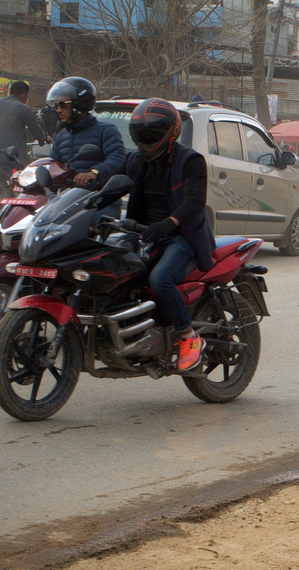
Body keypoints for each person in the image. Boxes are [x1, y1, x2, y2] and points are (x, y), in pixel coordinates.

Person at [125, 98, 215, 372]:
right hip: (147, 236)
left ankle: (188, 336)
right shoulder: (137, 160)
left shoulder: (191, 160)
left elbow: (194, 202)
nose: (145, 141)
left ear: (171, 132)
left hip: (183, 238)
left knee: (160, 278)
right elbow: (111, 180)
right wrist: (87, 181)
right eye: (141, 135)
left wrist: (169, 222)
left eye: (151, 135)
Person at [46, 77, 126, 210]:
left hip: (99, 201)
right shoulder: (61, 137)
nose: (58, 110)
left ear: (80, 104)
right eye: (56, 105)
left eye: (62, 104)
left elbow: (117, 157)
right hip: (68, 202)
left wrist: (94, 173)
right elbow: (53, 166)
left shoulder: (106, 131)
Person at [0, 80, 48, 168]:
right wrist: (44, 138)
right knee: (28, 170)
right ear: (23, 95)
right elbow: (35, 129)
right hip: (10, 153)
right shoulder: (24, 109)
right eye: (27, 96)